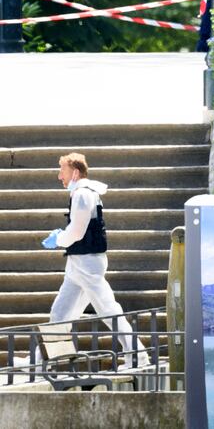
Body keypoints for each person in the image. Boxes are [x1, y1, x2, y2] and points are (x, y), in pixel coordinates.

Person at [41, 153, 147, 367]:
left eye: (62, 170)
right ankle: (41, 361)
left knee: (108, 310)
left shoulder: (82, 194)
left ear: (75, 172)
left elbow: (77, 231)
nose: (59, 176)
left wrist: (59, 238)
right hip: (80, 262)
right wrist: (62, 236)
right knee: (60, 314)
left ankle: (137, 356)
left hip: (86, 263)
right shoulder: (84, 193)